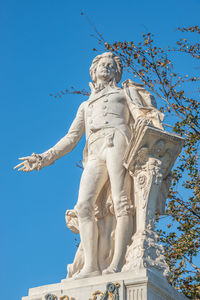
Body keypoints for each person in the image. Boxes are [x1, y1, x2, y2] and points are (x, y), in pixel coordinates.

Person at [14, 52, 164, 279]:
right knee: (84, 206)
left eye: (112, 66)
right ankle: (91, 266)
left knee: (121, 202)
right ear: (93, 71)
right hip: (94, 149)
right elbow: (71, 138)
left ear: (117, 72)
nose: (107, 68)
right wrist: (44, 158)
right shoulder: (85, 105)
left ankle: (116, 264)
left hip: (117, 142)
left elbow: (142, 117)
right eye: (103, 65)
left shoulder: (125, 93)